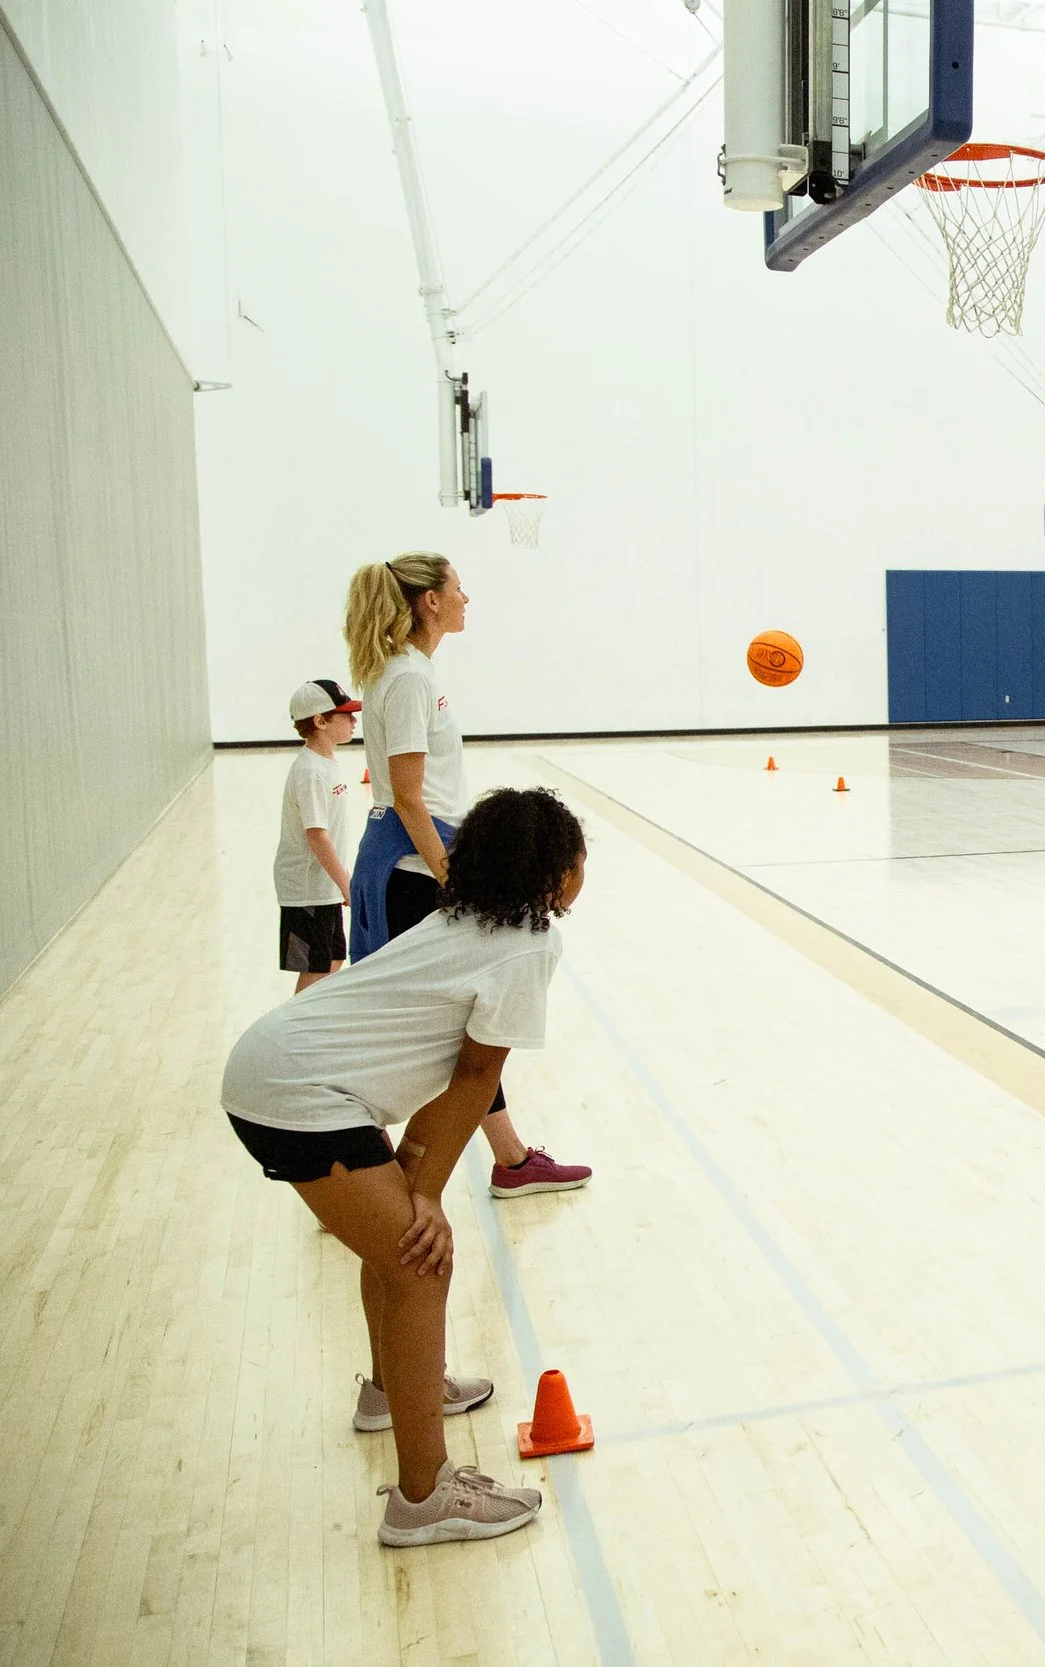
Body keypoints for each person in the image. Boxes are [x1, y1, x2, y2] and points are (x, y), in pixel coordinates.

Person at [222, 787, 586, 1545]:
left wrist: (416, 1189)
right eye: (579, 857)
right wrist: (425, 1196)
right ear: (554, 874)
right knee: (422, 1261)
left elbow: (458, 1089)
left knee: (395, 1249)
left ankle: (394, 1392)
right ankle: (423, 1497)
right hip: (297, 1092)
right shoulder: (529, 943)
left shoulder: (466, 916)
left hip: (283, 1070)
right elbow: (475, 1079)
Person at [344, 553, 592, 1198]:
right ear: (429, 601)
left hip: (415, 858)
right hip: (412, 864)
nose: (466, 599)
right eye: (458, 589)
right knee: (435, 1029)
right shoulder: (407, 679)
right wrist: (451, 877)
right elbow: (406, 796)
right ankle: (363, 1172)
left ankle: (508, 1161)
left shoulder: (412, 674)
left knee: (458, 1028)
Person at [278, 679, 360, 993]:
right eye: (345, 715)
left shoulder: (326, 764)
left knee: (333, 959)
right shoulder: (310, 771)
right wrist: (346, 884)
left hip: (322, 885)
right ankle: (292, 1035)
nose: (354, 720)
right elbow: (317, 836)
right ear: (320, 721)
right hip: (307, 887)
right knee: (316, 967)